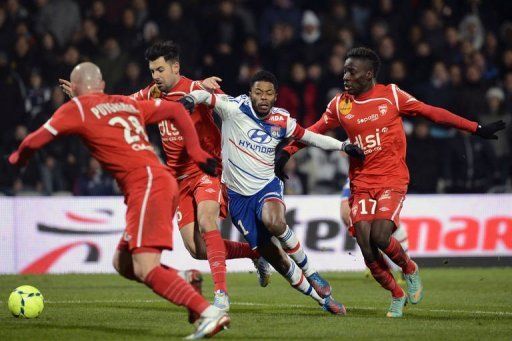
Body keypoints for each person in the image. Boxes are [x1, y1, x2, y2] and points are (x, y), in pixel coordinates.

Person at [275, 47, 505, 318]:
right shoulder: (341, 104)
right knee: (365, 242)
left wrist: (476, 128)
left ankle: (409, 269)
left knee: (381, 235)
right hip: (360, 181)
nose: (345, 75)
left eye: (352, 71)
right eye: (345, 70)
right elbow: (313, 131)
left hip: (391, 178)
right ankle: (396, 295)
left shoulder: (392, 95)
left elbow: (431, 112)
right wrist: (287, 152)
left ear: (369, 74)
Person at [10, 62, 229, 339]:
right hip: (157, 182)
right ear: (101, 86)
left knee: (145, 267)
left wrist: (18, 158)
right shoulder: (122, 103)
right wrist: (197, 153)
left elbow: (33, 140)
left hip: (147, 186)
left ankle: (209, 314)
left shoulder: (76, 108)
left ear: (75, 90)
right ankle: (184, 280)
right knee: (123, 263)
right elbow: (174, 110)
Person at [60, 41, 266, 317]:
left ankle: (221, 297)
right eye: (152, 70)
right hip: (178, 179)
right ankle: (257, 252)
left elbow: (234, 111)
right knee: (196, 249)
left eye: (160, 69)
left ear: (175, 67)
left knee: (207, 222)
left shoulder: (196, 89)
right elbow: (116, 108)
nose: (155, 75)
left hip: (207, 170)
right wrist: (82, 99)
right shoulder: (151, 93)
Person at [178, 70, 365, 315]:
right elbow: (207, 97)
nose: (263, 98)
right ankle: (322, 301)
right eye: (258, 92)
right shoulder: (233, 108)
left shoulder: (282, 120)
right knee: (276, 258)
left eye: (268, 93)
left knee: (274, 221)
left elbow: (309, 137)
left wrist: (343, 146)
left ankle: (313, 274)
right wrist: (192, 99)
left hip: (267, 185)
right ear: (250, 94)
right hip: (237, 198)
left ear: (276, 96)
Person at [340, 177, 409, 283]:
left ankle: (405, 269)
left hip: (385, 175)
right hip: (361, 177)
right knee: (350, 217)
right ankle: (376, 261)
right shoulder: (356, 173)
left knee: (388, 221)